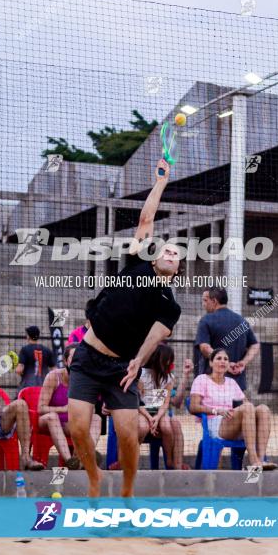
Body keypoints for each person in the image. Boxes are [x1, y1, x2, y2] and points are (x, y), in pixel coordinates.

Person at [67, 158, 182, 498]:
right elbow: (146, 218)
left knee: (128, 434)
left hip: (122, 367)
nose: (169, 253)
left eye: (176, 254)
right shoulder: (136, 264)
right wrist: (160, 181)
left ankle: (128, 489)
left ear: (177, 270)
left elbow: (155, 336)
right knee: (77, 428)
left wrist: (137, 363)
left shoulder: (168, 304)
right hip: (88, 356)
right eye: (167, 249)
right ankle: (94, 478)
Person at [189, 348, 276, 470]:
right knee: (248, 407)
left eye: (226, 359)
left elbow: (246, 403)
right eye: (218, 358)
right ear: (210, 362)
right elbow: (193, 407)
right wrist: (217, 411)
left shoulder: (231, 382)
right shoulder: (202, 379)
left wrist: (251, 415)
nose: (223, 361)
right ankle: (254, 460)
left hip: (233, 423)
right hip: (215, 424)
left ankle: (261, 460)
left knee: (263, 409)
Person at [37, 343, 101, 469]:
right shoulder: (54, 377)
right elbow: (40, 408)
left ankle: (84, 459)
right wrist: (64, 409)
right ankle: (70, 461)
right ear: (66, 361)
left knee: (96, 418)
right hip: (47, 421)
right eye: (74, 357)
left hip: (70, 424)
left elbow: (91, 409)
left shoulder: (86, 380)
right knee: (52, 417)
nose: (78, 360)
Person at [194, 287, 259, 390]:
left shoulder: (206, 320)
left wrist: (225, 364)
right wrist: (243, 363)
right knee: (238, 407)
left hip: (214, 385)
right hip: (237, 385)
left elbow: (204, 348)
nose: (204, 304)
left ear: (214, 301)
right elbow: (255, 345)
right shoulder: (242, 321)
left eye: (206, 300)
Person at [138, 344, 188, 470]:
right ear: (157, 358)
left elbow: (164, 403)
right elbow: (138, 402)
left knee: (166, 425)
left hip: (158, 410)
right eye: (167, 359)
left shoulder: (168, 378)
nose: (169, 362)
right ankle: (131, 458)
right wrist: (150, 418)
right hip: (142, 411)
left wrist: (157, 417)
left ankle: (170, 460)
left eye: (171, 359)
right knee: (143, 427)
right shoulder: (142, 375)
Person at [17, 326, 55, 391]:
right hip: (43, 387)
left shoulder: (25, 350)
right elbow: (54, 370)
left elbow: (19, 370)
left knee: (19, 400)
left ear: (28, 336)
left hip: (28, 387)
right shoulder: (47, 350)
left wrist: (17, 370)